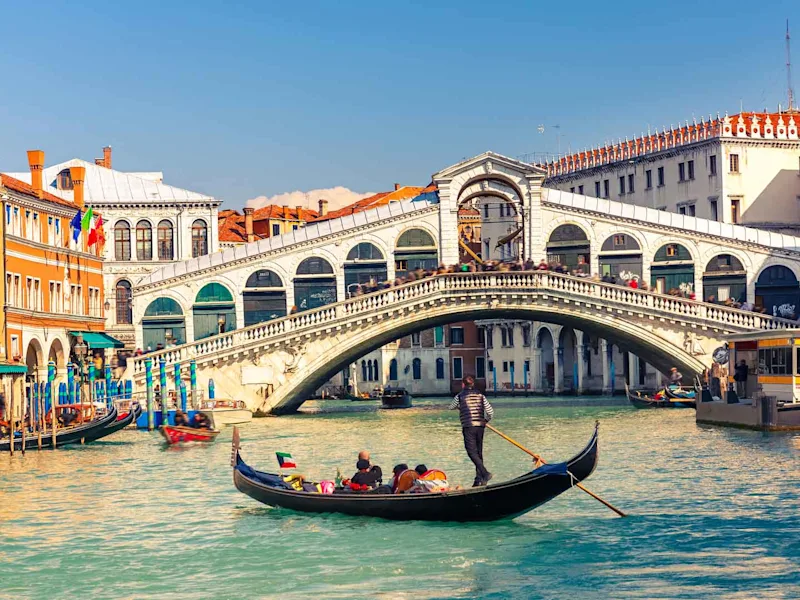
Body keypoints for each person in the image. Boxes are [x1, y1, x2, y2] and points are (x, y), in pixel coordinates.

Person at [449, 375, 494, 486]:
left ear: (463, 384)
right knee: (478, 452)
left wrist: (459, 407)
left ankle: (484, 473)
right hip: (480, 426)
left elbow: (451, 407)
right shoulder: (481, 395)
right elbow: (490, 412)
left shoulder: (459, 396)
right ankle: (479, 480)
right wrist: (485, 421)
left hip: (468, 426)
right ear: (473, 384)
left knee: (471, 452)